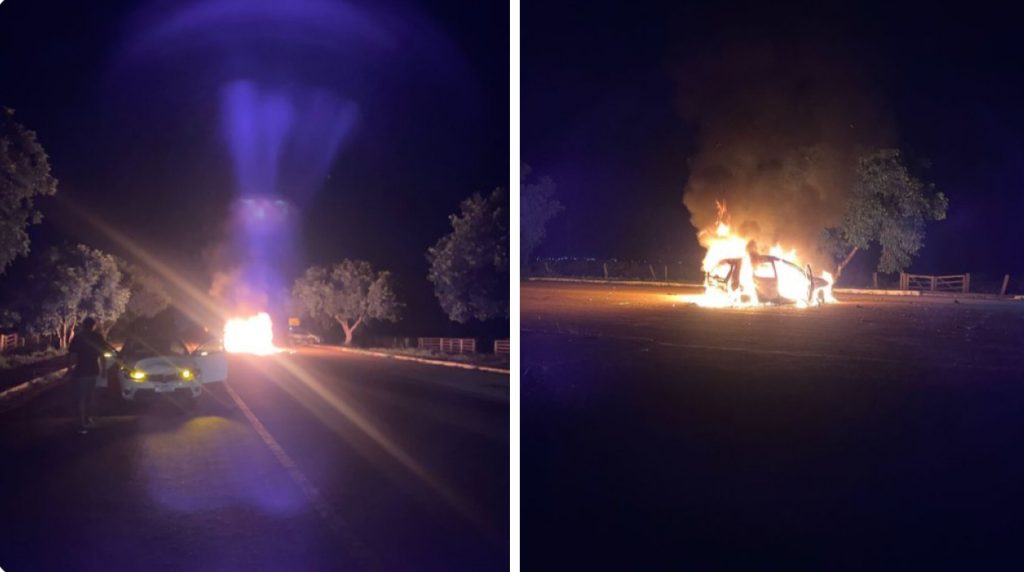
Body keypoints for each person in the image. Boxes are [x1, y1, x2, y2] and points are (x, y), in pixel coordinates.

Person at [67, 317, 114, 434]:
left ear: (83, 325)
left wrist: (70, 368)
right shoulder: (97, 337)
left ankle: (82, 422)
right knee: (90, 395)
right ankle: (88, 419)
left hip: (81, 370)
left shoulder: (78, 337)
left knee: (82, 397)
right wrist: (104, 369)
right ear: (93, 326)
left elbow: (72, 354)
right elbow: (103, 354)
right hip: (93, 370)